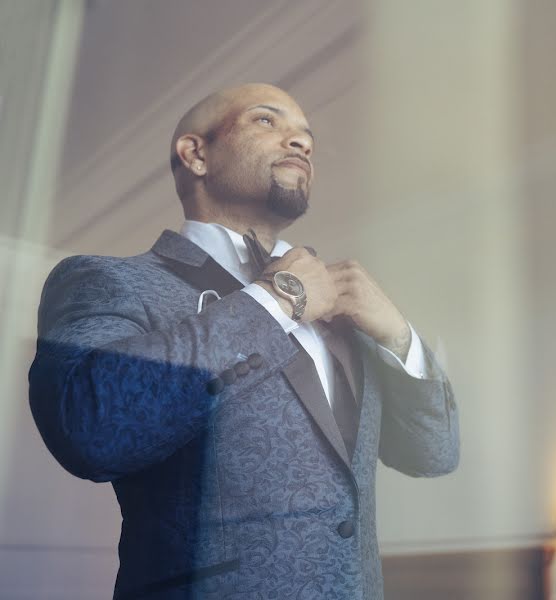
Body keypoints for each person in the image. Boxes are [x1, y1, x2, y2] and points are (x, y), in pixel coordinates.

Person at [28, 83, 459, 599]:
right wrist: (277, 299)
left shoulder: (345, 314)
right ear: (196, 154)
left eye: (307, 138)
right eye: (266, 121)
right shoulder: (107, 281)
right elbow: (91, 429)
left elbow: (433, 454)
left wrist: (398, 336)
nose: (300, 143)